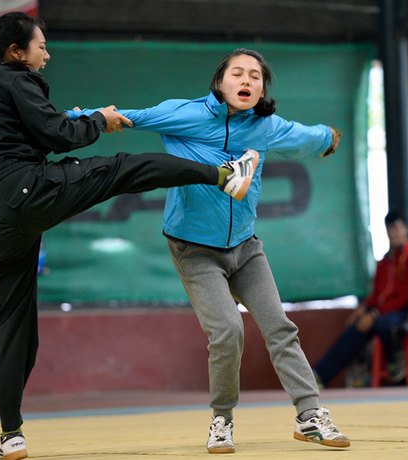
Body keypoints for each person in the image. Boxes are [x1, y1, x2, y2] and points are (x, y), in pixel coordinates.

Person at [0, 13, 256, 460]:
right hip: (28, 190)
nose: (46, 55)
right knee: (128, 167)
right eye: (40, 47)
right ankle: (224, 174)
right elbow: (59, 133)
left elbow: (5, 146)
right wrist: (99, 119)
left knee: (13, 326)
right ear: (15, 52)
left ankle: (10, 435)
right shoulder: (14, 79)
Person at [68, 48, 348, 453]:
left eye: (255, 75)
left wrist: (327, 139)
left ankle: (310, 417)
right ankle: (222, 421)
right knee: (228, 331)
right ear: (220, 82)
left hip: (246, 249)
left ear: (263, 88)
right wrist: (80, 118)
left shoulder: (265, 126)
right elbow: (131, 116)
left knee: (280, 329)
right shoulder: (185, 114)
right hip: (194, 249)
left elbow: (303, 135)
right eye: (237, 73)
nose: (246, 81)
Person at [313, 211, 408, 387]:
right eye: (389, 229)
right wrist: (365, 309)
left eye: (396, 228)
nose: (392, 233)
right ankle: (319, 376)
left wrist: (375, 315)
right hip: (382, 312)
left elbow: (406, 298)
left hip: (406, 313)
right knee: (355, 327)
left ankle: (396, 367)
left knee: (384, 324)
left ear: (405, 229)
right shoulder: (384, 261)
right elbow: (377, 295)